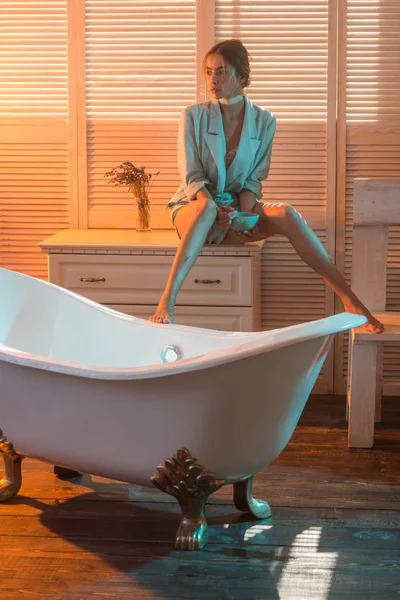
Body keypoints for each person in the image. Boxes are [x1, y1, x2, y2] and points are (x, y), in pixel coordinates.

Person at [149, 39, 383, 333]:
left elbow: (253, 180)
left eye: (221, 71)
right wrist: (216, 208)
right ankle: (167, 300)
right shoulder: (193, 116)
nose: (213, 80)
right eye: (208, 72)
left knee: (285, 213)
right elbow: (192, 176)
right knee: (207, 207)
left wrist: (240, 215)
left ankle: (351, 301)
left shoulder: (264, 121)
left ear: (241, 76)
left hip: (234, 212)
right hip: (195, 210)